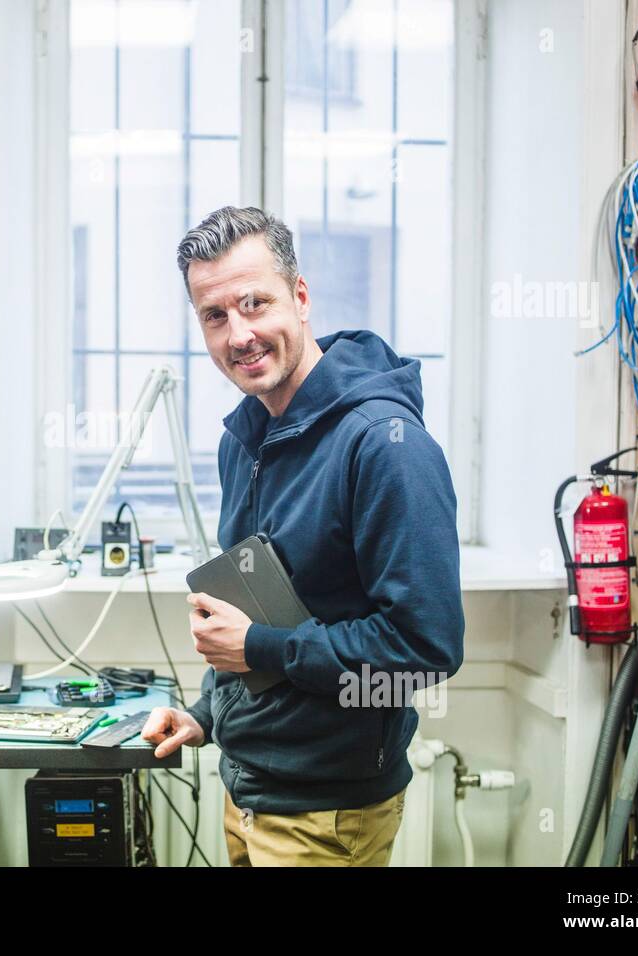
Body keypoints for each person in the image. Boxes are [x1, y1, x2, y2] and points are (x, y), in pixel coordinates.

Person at [142, 206, 464, 866]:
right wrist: (207, 714)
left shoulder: (385, 446)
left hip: (326, 814)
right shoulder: (245, 440)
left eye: (255, 304)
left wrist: (259, 647)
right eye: (215, 315)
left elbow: (426, 650)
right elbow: (258, 609)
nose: (239, 334)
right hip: (248, 792)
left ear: (302, 297)